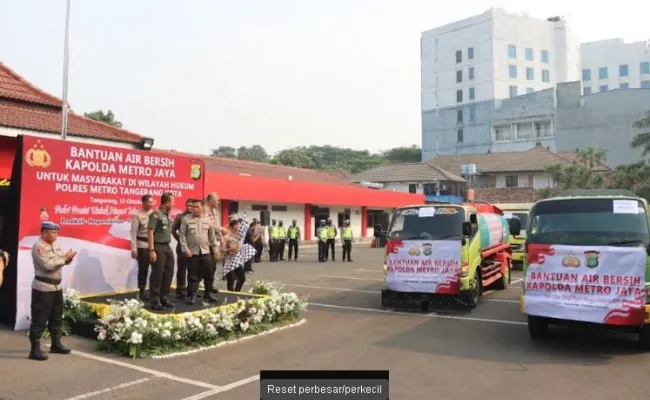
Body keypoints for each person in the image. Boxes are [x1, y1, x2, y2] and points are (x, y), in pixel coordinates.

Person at [28, 221, 77, 361]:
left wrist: (68, 258)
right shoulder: (38, 247)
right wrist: (64, 259)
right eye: (52, 232)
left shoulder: (55, 244)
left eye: (56, 232)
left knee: (56, 316)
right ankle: (35, 350)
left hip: (57, 287)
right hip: (43, 288)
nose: (56, 235)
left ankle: (56, 344)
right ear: (44, 232)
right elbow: (47, 266)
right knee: (40, 319)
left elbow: (61, 260)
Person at [179, 199, 219, 305]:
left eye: (197, 207)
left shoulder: (207, 220)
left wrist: (215, 249)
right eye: (193, 207)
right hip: (192, 252)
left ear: (202, 207)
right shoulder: (186, 219)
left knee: (209, 274)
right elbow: (182, 235)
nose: (194, 209)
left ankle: (208, 293)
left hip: (205, 252)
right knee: (193, 276)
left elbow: (212, 236)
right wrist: (185, 249)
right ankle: (192, 295)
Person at [147, 192, 176, 311]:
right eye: (172, 202)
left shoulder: (167, 215)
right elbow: (150, 232)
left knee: (169, 272)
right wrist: (151, 250)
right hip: (158, 247)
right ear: (167, 202)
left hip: (167, 247)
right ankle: (155, 299)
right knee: (157, 274)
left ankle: (164, 296)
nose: (173, 204)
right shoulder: (156, 215)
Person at [129, 194, 154, 300]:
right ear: (143, 202)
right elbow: (133, 233)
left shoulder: (154, 214)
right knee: (143, 270)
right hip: (142, 245)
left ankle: (153, 290)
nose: (151, 204)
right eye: (149, 202)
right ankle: (142, 290)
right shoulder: (137, 215)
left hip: (153, 245)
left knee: (156, 269)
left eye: (152, 202)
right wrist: (134, 249)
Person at [223, 215, 256, 292]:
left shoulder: (239, 236)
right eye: (237, 225)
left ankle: (237, 292)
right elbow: (222, 250)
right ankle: (230, 296)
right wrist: (230, 249)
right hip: (229, 261)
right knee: (230, 281)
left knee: (242, 278)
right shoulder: (226, 237)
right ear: (233, 226)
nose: (239, 226)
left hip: (238, 261)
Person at [171, 198, 193, 299]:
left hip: (193, 247)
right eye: (187, 205)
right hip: (182, 247)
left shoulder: (195, 217)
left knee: (193, 270)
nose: (189, 207)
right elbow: (173, 230)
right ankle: (180, 290)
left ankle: (191, 289)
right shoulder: (180, 217)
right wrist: (179, 240)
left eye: (191, 205)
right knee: (182, 269)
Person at [204, 193, 224, 293]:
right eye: (216, 200)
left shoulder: (215, 211)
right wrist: (221, 229)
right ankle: (203, 287)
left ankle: (210, 286)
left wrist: (221, 237)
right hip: (206, 242)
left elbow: (217, 225)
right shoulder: (204, 210)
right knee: (206, 266)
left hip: (215, 241)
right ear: (210, 200)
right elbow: (210, 225)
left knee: (213, 265)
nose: (218, 202)